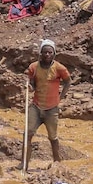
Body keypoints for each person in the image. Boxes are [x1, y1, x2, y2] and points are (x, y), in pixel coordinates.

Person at [25, 39, 71, 169]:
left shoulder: (59, 68)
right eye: (44, 52)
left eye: (50, 52)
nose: (47, 55)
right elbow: (32, 82)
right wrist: (29, 86)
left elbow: (68, 81)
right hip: (36, 106)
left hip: (52, 108)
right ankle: (25, 163)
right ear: (40, 53)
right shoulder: (33, 67)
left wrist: (60, 98)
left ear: (54, 54)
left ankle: (57, 163)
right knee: (27, 134)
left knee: (53, 137)